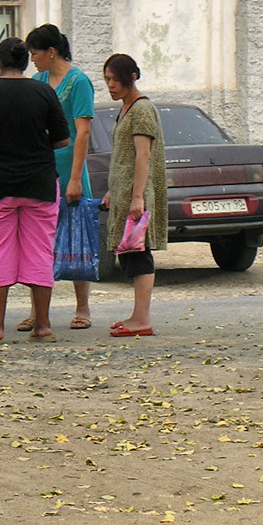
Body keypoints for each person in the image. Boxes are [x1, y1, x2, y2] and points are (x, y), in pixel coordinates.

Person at [0, 38, 71, 342]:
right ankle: (44, 325)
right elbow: (63, 139)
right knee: (40, 252)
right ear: (25, 63)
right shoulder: (44, 91)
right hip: (39, 183)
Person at [19, 23, 95, 331]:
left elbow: (83, 131)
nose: (32, 58)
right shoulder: (37, 80)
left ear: (51, 52)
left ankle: (83, 307)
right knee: (37, 240)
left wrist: (75, 177)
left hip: (69, 166)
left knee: (75, 234)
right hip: (39, 166)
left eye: (35, 52)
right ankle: (38, 311)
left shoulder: (78, 82)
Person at [100, 53, 167, 338]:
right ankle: (136, 314)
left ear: (132, 77)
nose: (111, 85)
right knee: (129, 253)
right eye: (107, 80)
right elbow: (123, 157)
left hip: (136, 194)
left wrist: (137, 197)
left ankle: (143, 319)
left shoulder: (141, 109)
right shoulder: (126, 108)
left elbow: (143, 154)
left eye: (116, 79)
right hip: (124, 192)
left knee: (139, 253)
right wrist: (112, 191)